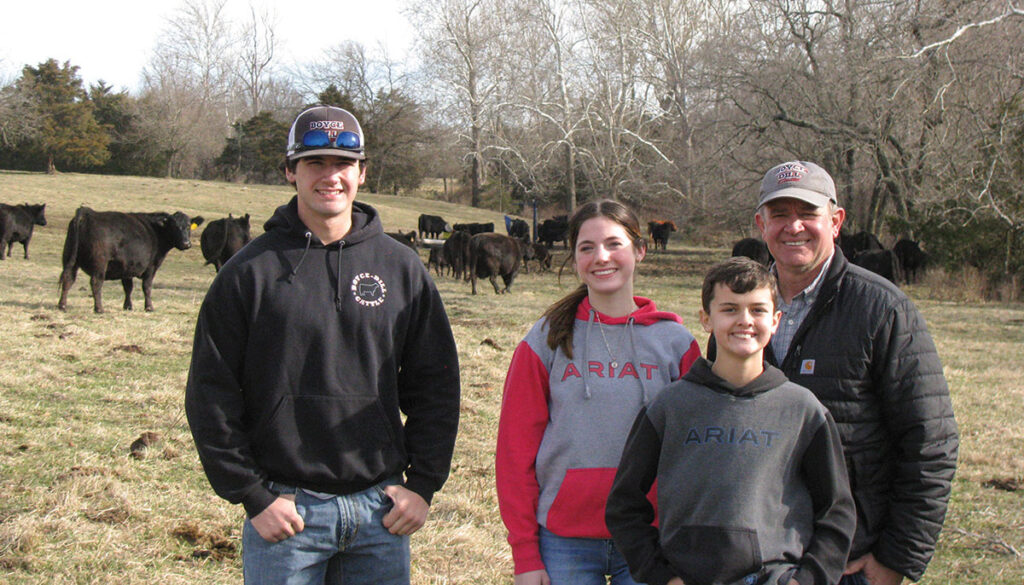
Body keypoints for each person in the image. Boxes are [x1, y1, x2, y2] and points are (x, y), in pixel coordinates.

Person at [185, 105, 461, 585]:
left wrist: (423, 486)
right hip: (286, 514)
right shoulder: (248, 274)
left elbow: (436, 384)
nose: (330, 176)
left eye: (343, 164)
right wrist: (252, 495)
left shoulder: (402, 269)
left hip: (381, 511)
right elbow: (211, 394)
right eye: (315, 163)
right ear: (290, 170)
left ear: (362, 172)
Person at [746, 161, 959, 585]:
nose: (794, 227)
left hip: (850, 558)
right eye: (780, 214)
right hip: (755, 557)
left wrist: (896, 559)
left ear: (836, 221)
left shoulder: (882, 309)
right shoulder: (739, 311)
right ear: (761, 224)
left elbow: (930, 442)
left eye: (808, 213)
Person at [606, 257, 856, 585]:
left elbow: (837, 511)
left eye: (757, 310)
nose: (745, 320)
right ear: (706, 320)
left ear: (777, 320)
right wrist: (660, 576)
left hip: (774, 576)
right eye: (729, 309)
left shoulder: (803, 410)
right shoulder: (670, 406)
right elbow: (624, 504)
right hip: (687, 574)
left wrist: (807, 580)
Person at [495, 199, 702, 585]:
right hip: (562, 539)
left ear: (640, 250)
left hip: (650, 538)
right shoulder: (545, 340)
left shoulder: (676, 344)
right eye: (586, 248)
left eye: (613, 244)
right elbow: (514, 451)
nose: (600, 257)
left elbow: (697, 456)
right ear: (573, 258)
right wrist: (524, 553)